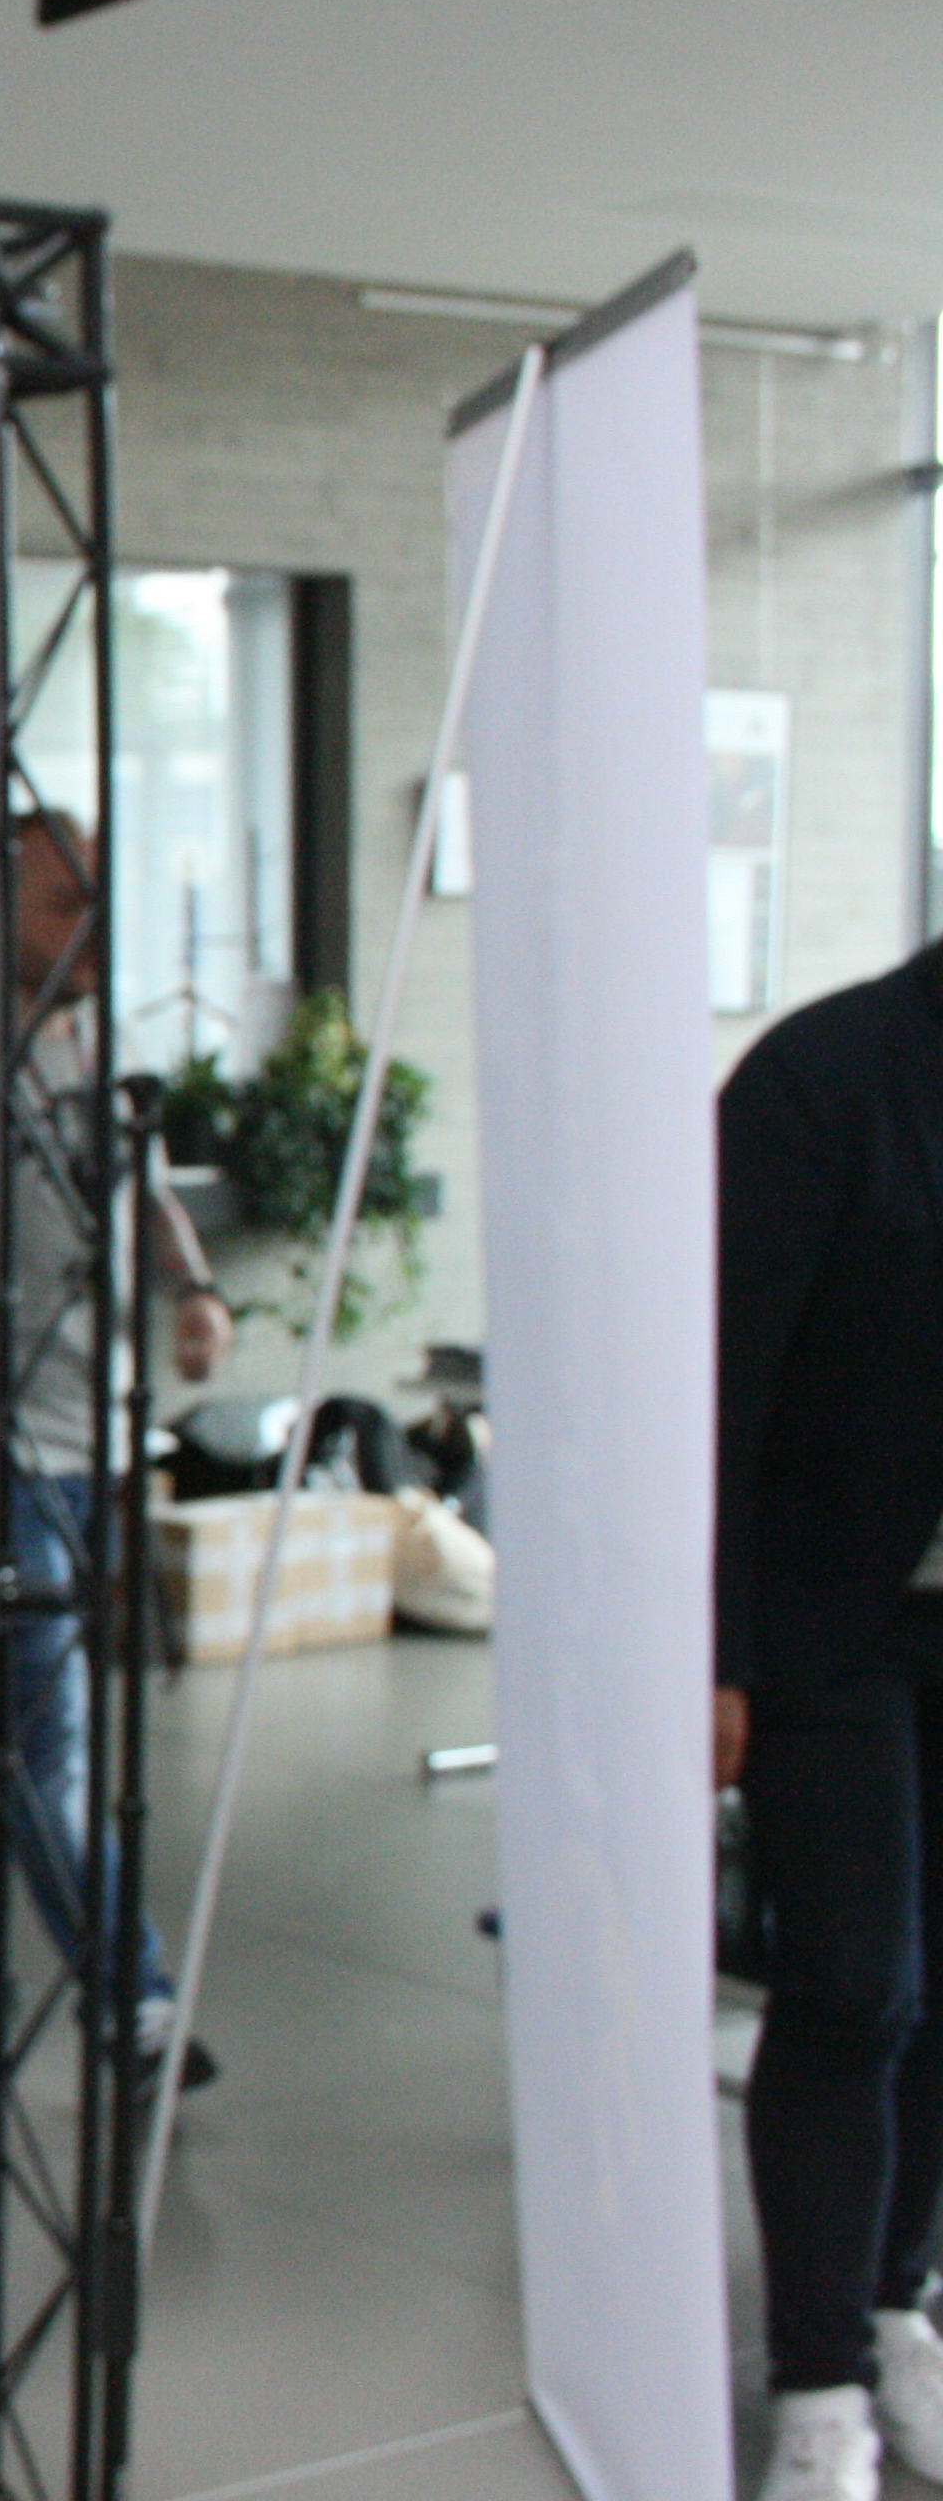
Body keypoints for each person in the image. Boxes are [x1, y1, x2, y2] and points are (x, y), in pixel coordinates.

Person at [715, 939, 943, 2501]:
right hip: (825, 1614)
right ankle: (816, 2388)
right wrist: (712, 1651)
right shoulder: (823, 1079)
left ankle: (895, 2308)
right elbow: (717, 1387)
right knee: (857, 1985)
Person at [3, 809, 228, 2088]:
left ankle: (122, 1995)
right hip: (6, 1450)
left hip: (97, 1433)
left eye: (99, 905)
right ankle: (131, 1998)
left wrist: (196, 1291)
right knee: (46, 1751)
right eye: (61, 906)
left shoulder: (106, 1043)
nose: (89, 933)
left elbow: (146, 1195)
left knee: (60, 1747)